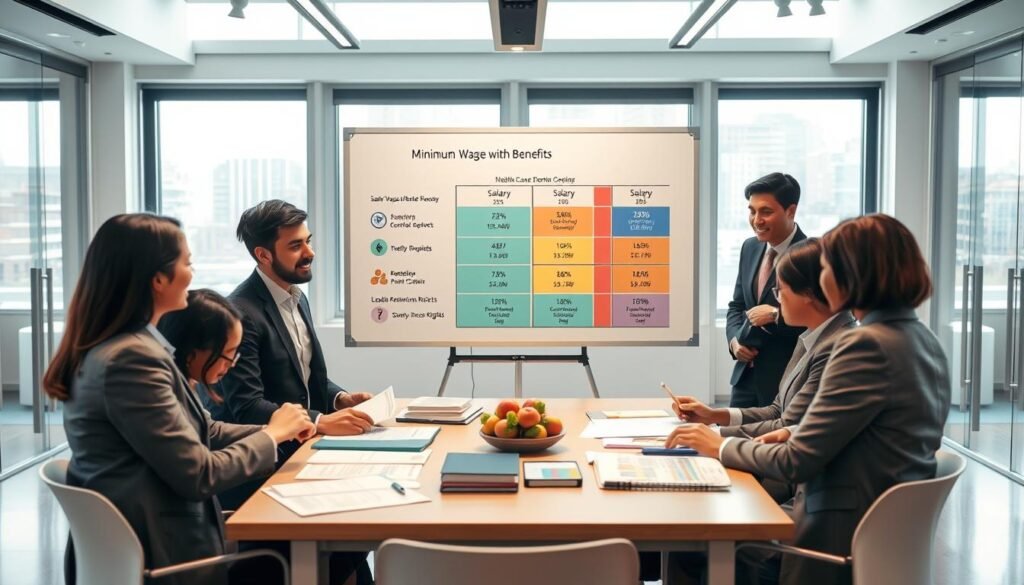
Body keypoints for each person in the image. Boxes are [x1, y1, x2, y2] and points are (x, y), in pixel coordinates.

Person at [667, 214, 951, 585]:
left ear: (851, 274)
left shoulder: (864, 344)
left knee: (694, 544)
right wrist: (791, 431)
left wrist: (715, 446)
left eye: (828, 267)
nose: (823, 276)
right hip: (875, 532)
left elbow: (796, 462)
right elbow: (876, 431)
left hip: (833, 533)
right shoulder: (922, 338)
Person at [44, 214, 315, 585]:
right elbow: (199, 474)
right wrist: (270, 436)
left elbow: (202, 426)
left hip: (159, 542)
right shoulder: (132, 360)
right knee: (319, 550)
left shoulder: (128, 347)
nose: (192, 272)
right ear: (158, 279)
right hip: (169, 558)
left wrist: (282, 430)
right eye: (186, 262)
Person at [672, 238, 855, 503]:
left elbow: (787, 425)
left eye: (780, 290)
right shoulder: (811, 337)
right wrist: (715, 415)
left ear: (808, 293)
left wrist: (715, 438)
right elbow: (777, 410)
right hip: (787, 486)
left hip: (799, 498)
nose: (777, 301)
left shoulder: (839, 346)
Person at [217, 199, 372, 444]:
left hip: (302, 444)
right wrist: (319, 421)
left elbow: (300, 377)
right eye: (295, 246)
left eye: (307, 241)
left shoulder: (297, 298)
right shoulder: (238, 314)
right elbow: (247, 406)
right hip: (263, 458)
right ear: (263, 255)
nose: (310, 253)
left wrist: (340, 399)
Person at [727, 172, 807, 408]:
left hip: (786, 380)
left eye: (766, 212)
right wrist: (734, 342)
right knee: (731, 441)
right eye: (752, 211)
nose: (756, 220)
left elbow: (823, 316)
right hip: (745, 378)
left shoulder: (810, 254)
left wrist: (775, 315)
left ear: (791, 211)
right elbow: (737, 306)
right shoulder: (750, 247)